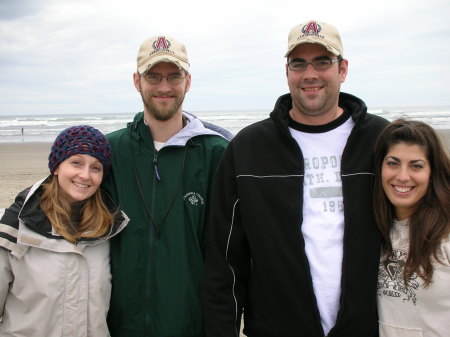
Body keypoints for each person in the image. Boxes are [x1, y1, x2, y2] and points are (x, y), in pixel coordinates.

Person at [204, 20, 389, 337]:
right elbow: (224, 262)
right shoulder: (248, 148)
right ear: (287, 71)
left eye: (322, 62)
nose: (310, 74)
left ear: (342, 69)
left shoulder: (380, 139)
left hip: (368, 328)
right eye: (298, 63)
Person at [102, 35, 230, 336]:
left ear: (188, 81)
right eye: (153, 76)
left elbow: (230, 252)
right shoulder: (110, 152)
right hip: (120, 325)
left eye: (174, 76)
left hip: (189, 324)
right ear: (137, 81)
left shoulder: (217, 153)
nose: (164, 87)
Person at [0, 125, 129, 336]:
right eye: (76, 163)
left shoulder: (110, 228)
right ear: (57, 166)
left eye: (96, 168)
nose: (85, 175)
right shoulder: (15, 226)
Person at [373, 119, 450, 337]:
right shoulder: (373, 231)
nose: (403, 176)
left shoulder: (445, 236)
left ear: (432, 172)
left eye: (416, 165)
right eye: (393, 163)